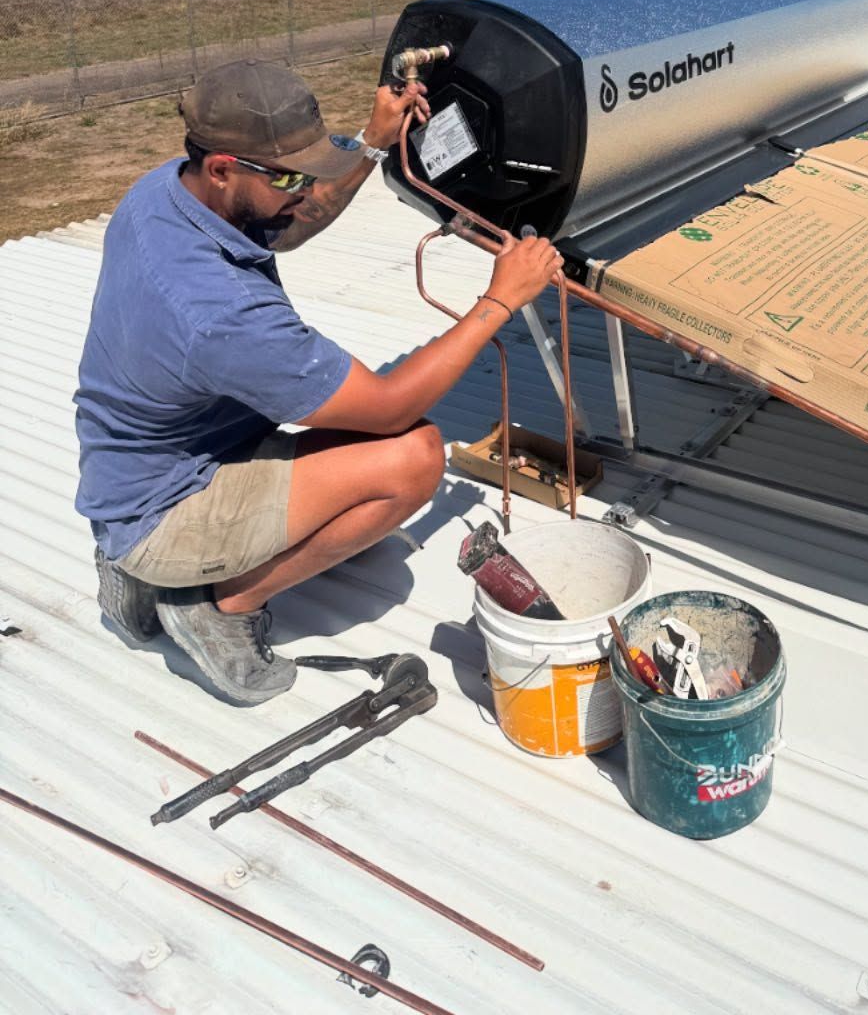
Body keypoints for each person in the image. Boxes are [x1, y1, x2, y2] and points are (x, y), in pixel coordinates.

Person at [74, 58, 562, 704]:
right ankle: (219, 605)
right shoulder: (216, 312)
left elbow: (287, 221)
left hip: (144, 468)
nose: (303, 192)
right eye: (287, 177)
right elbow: (389, 409)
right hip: (165, 506)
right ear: (223, 167)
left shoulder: (168, 192)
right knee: (413, 457)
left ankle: (151, 575)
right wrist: (500, 300)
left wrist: (370, 142)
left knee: (359, 449)